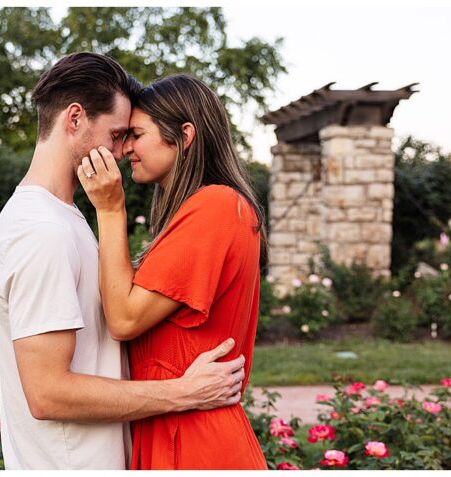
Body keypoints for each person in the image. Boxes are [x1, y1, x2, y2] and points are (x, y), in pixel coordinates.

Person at [0, 52, 247, 470]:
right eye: (118, 133)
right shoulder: (40, 231)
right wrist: (183, 393)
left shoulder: (65, 220)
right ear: (74, 119)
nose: (123, 150)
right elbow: (48, 393)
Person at [77, 74, 268, 469]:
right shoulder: (203, 211)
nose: (126, 148)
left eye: (136, 134)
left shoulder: (216, 206)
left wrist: (111, 210)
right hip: (173, 424)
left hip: (196, 437)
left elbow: (124, 318)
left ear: (184, 135)